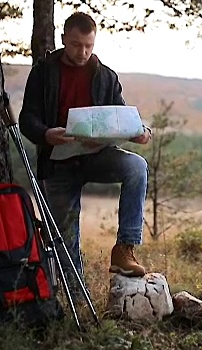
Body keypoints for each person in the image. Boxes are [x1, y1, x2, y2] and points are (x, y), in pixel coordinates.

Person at [18, 12, 151, 279]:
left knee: (136, 166)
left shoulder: (106, 76)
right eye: (77, 45)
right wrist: (46, 134)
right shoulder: (43, 73)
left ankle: (124, 250)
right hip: (58, 162)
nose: (83, 52)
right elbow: (26, 119)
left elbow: (120, 116)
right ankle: (74, 301)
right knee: (65, 240)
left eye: (89, 46)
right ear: (64, 39)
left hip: (96, 156)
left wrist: (139, 132)